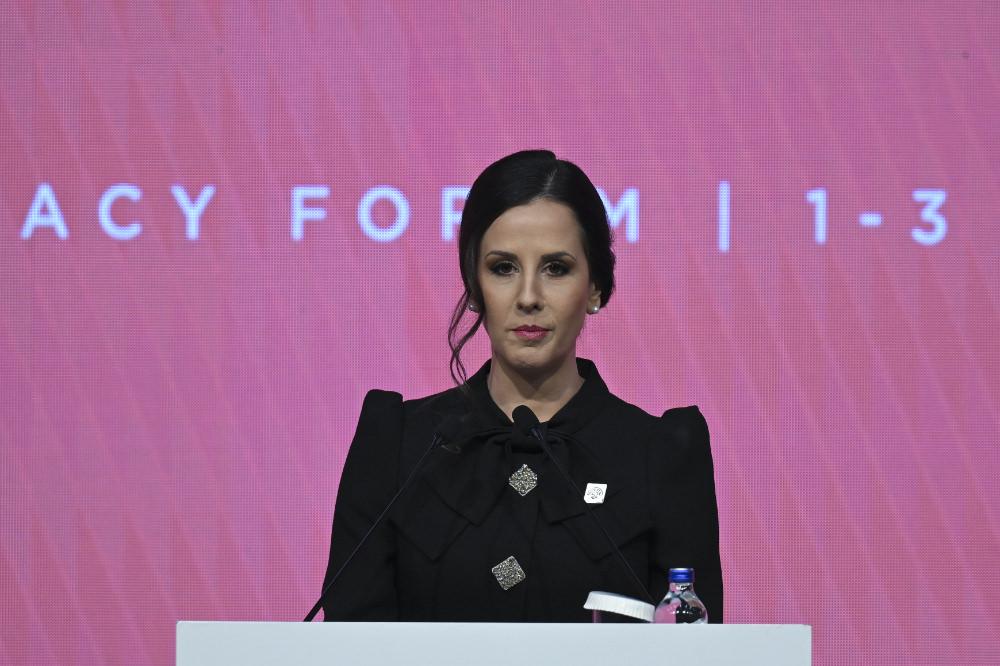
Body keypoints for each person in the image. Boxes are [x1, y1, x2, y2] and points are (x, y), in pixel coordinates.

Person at [320, 150, 723, 622]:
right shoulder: (398, 445)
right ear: (474, 285)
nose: (528, 297)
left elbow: (696, 643)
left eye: (556, 268)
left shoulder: (661, 454)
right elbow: (350, 638)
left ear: (595, 287)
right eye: (503, 268)